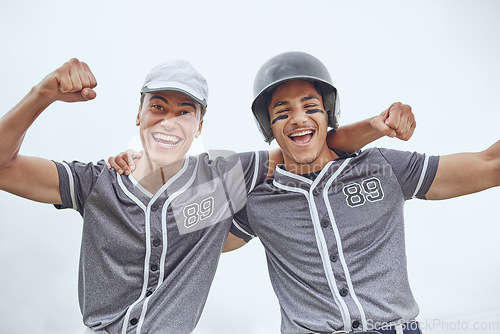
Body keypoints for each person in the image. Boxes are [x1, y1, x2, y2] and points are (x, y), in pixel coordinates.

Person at [0, 58, 415, 334]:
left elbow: (307, 144)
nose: (170, 120)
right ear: (139, 114)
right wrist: (43, 93)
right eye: (158, 107)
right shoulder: (97, 183)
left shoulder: (223, 179)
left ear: (199, 125)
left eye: (185, 111)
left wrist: (376, 126)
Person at [223, 51, 500, 334]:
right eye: (283, 112)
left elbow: (490, 165)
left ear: (328, 112)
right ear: (268, 125)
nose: (298, 119)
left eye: (310, 107)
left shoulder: (383, 166)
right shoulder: (258, 201)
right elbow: (194, 241)